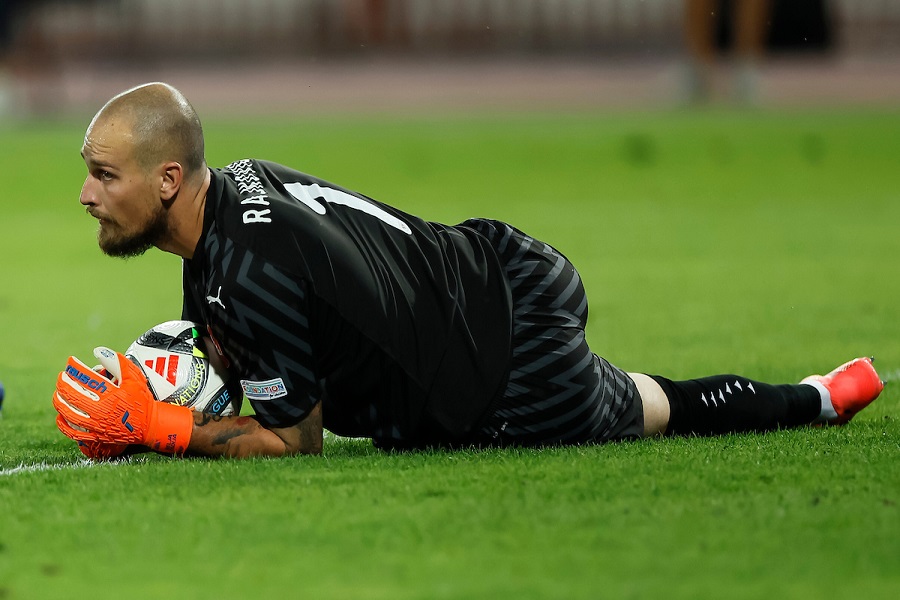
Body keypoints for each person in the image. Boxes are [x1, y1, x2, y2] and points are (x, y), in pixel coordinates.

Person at [52, 82, 885, 460]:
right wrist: (168, 366)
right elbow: (265, 328)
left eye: (104, 174)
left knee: (648, 409)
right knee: (641, 393)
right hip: (498, 264)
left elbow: (293, 438)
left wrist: (161, 428)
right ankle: (822, 392)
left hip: (498, 374)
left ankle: (811, 399)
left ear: (168, 181)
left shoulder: (248, 267)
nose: (87, 193)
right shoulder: (241, 186)